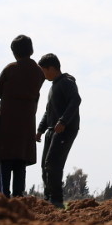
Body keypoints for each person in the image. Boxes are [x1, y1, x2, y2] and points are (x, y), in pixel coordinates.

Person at [0, 35, 44, 197]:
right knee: (20, 162)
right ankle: (19, 197)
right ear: (31, 50)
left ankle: (3, 197)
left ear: (14, 52)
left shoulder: (10, 69)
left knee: (5, 160)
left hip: (8, 123)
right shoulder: (38, 72)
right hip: (27, 123)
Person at [34, 53, 80, 207]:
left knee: (53, 163)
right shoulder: (53, 86)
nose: (43, 74)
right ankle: (48, 200)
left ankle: (56, 200)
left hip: (64, 129)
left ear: (52, 68)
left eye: (44, 71)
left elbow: (75, 100)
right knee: (45, 164)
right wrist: (40, 129)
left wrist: (63, 121)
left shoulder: (66, 82)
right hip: (52, 129)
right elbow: (49, 111)